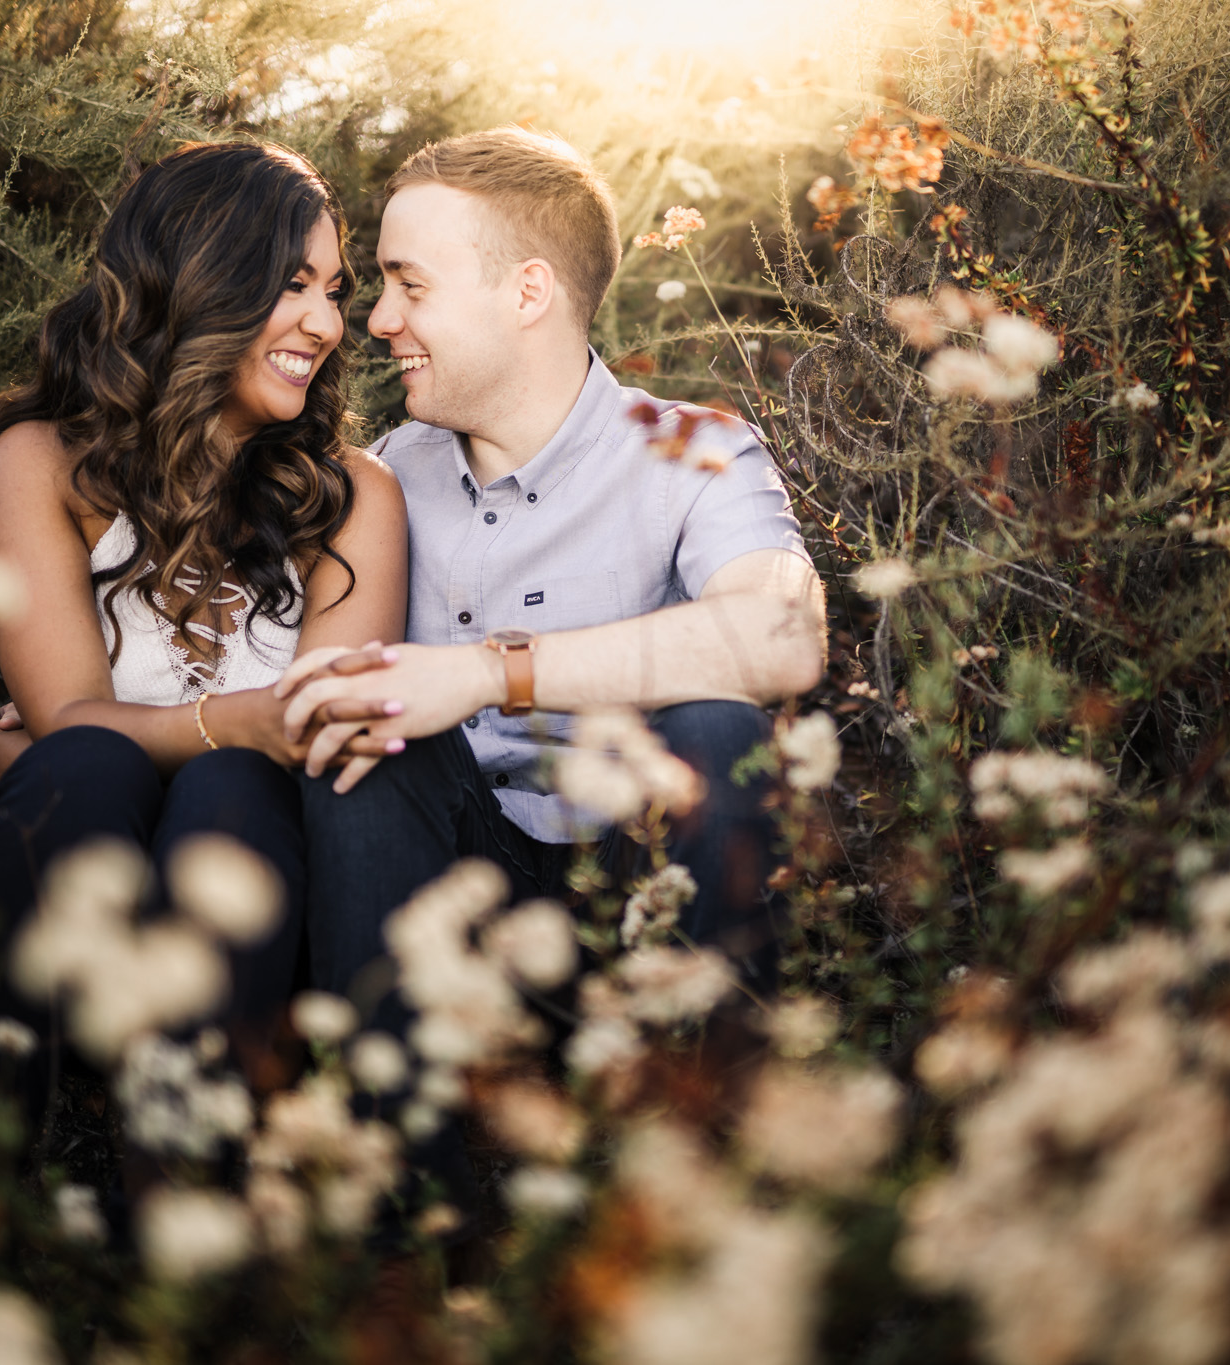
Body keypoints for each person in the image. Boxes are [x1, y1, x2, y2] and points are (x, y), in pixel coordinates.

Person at [273, 128, 826, 1022]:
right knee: (366, 747)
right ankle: (391, 1138)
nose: (377, 319)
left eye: (410, 285)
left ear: (528, 291)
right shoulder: (379, 476)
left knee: (719, 728)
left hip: (637, 878)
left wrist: (490, 672)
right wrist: (97, 712)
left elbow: (783, 633)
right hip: (446, 898)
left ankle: (714, 1116)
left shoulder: (698, 453)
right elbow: (267, 647)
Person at [0, 140, 408, 1111]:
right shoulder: (40, 462)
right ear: (200, 275)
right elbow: (71, 723)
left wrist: (209, 736)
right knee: (81, 768)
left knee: (232, 784)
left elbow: (310, 733)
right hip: (89, 920)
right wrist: (224, 720)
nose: (326, 323)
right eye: (293, 283)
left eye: (333, 290)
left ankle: (189, 1168)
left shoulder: (355, 496)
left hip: (265, 944)